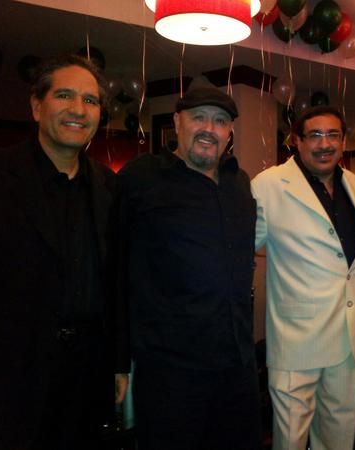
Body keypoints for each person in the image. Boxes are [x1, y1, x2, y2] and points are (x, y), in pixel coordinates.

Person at [0, 54, 129, 450]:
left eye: (90, 100)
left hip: (89, 376)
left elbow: (116, 283)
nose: (78, 109)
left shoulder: (109, 188)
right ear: (36, 106)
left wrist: (118, 363)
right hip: (11, 378)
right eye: (64, 95)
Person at [116, 85, 261, 450]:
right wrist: (118, 358)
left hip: (237, 365)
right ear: (177, 122)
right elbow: (114, 267)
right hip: (171, 370)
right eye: (199, 117)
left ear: (229, 131)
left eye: (220, 121)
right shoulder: (141, 178)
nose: (209, 129)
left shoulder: (239, 182)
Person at [251, 105, 355, 450]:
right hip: (297, 342)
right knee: (290, 440)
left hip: (350, 341)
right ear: (297, 141)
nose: (325, 144)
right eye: (315, 135)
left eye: (333, 135)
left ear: (344, 141)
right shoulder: (269, 185)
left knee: (340, 439)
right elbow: (239, 248)